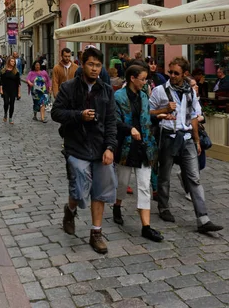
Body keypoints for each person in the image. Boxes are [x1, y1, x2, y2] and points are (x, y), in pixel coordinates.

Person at [51, 47, 117, 254]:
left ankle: (96, 233)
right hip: (76, 147)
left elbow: (111, 122)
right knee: (79, 192)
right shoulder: (69, 88)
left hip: (99, 148)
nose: (95, 69)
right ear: (83, 63)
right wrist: (79, 115)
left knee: (100, 191)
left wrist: (110, 147)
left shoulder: (106, 90)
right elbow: (56, 113)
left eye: (98, 65)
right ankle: (70, 210)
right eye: (91, 64)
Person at [149, 57, 223, 234]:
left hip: (187, 138)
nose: (172, 76)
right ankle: (164, 207)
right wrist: (164, 110)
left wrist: (197, 141)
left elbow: (194, 118)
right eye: (170, 72)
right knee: (165, 175)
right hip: (167, 136)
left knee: (194, 178)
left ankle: (203, 219)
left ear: (185, 74)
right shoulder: (160, 91)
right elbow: (148, 112)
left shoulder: (190, 91)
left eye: (176, 73)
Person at [113, 65, 163, 242]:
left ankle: (146, 227)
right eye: (142, 79)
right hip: (126, 146)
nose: (145, 82)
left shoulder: (143, 95)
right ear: (132, 78)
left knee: (143, 187)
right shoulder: (118, 96)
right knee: (122, 183)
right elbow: (115, 121)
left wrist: (160, 116)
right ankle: (117, 205)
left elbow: (146, 117)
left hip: (144, 146)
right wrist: (130, 129)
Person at [0, 57, 21, 124]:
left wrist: (19, 93)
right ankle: (5, 114)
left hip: (13, 90)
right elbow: (1, 81)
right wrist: (1, 89)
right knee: (6, 103)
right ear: (9, 62)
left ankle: (10, 118)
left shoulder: (16, 72)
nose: (13, 63)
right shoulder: (4, 70)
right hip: (5, 89)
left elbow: (18, 83)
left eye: (14, 62)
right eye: (11, 61)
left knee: (12, 104)